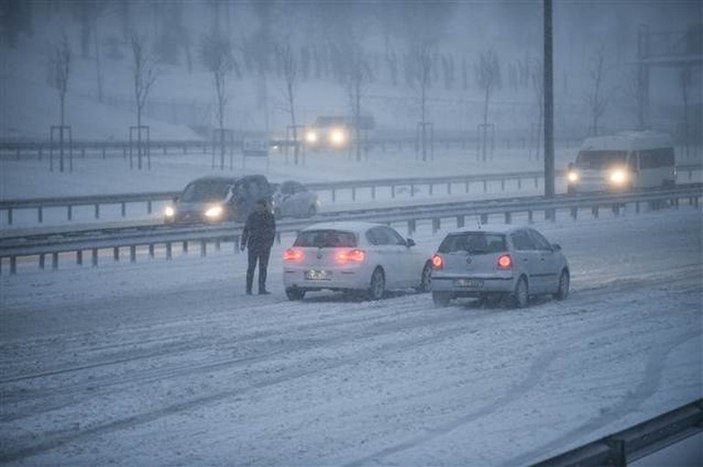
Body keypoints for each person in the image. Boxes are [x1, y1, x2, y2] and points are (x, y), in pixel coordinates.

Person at [240, 198, 276, 295]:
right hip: (253, 246)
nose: (258, 209)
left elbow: (273, 231)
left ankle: (261, 288)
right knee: (251, 268)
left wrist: (269, 243)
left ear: (265, 207)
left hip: (265, 246)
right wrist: (243, 243)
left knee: (263, 268)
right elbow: (246, 230)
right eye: (257, 207)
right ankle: (248, 289)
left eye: (260, 207)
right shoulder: (252, 217)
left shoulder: (270, 217)